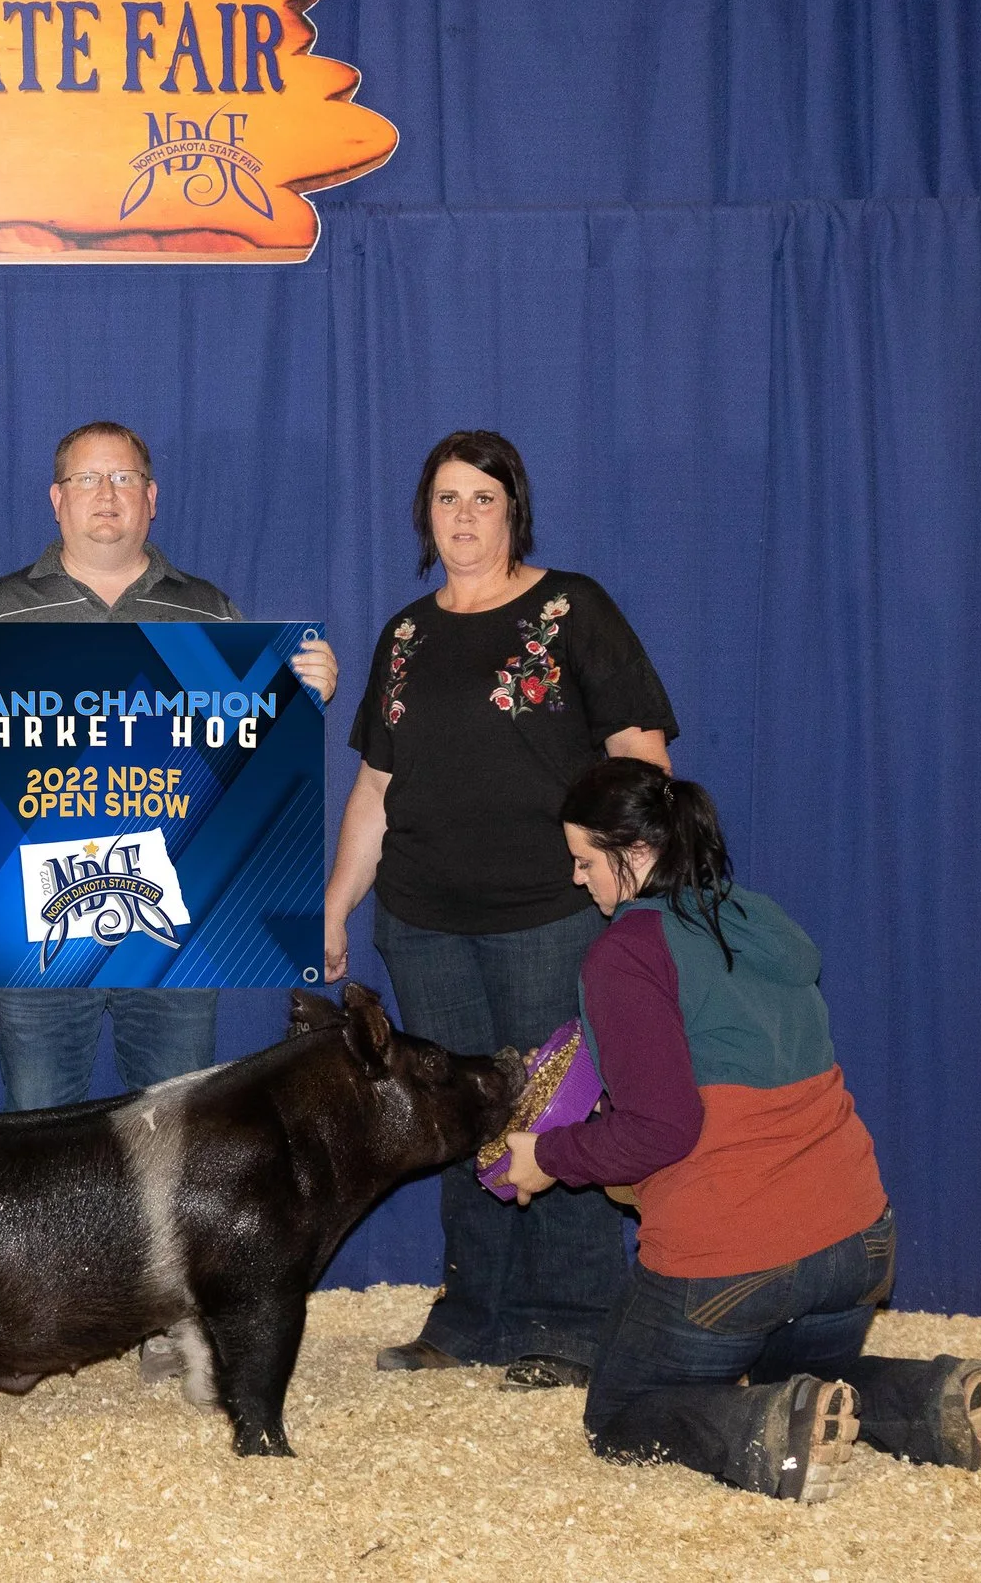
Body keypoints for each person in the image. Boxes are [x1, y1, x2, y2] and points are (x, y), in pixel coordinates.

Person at [0, 419, 336, 1385]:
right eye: (88, 479)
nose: (107, 495)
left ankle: (169, 1317)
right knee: (41, 1127)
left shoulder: (207, 609)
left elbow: (241, 755)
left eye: (125, 478)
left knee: (180, 1130)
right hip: (37, 929)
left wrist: (300, 690)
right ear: (57, 499)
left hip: (176, 925)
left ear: (153, 497)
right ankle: (43, 1322)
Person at [497, 757, 981, 1500]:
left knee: (619, 1415)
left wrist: (549, 1154)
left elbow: (662, 1130)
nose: (580, 879)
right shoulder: (763, 916)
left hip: (735, 1256)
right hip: (858, 1237)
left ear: (636, 852)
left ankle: (766, 1432)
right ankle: (934, 1402)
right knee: (798, 1381)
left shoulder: (624, 954)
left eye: (585, 861)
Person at [328, 428, 676, 1389]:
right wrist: (335, 905)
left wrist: (630, 873)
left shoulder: (573, 609)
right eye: (447, 498)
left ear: (514, 509)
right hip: (423, 917)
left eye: (484, 497)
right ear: (422, 515)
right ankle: (472, 1313)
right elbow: (374, 789)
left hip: (551, 913)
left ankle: (568, 1320)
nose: (465, 516)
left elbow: (641, 754)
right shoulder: (405, 634)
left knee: (557, 1111)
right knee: (456, 1117)